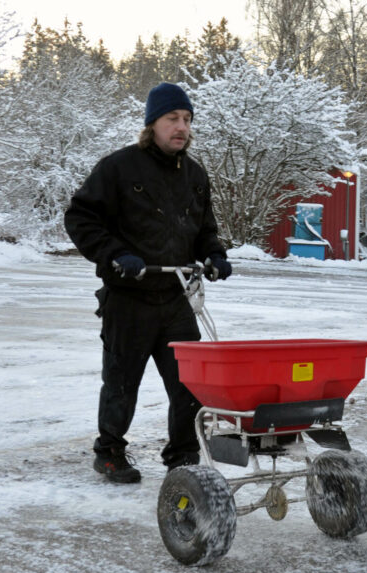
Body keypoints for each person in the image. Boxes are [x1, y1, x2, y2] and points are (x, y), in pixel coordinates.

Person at [64, 83, 231, 484]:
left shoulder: (194, 175)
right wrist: (116, 254)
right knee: (122, 382)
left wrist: (215, 254)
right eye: (173, 118)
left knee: (189, 383)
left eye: (187, 120)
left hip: (175, 296)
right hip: (129, 296)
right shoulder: (119, 167)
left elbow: (205, 228)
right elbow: (81, 218)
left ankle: (182, 453)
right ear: (152, 123)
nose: (182, 127)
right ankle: (110, 452)